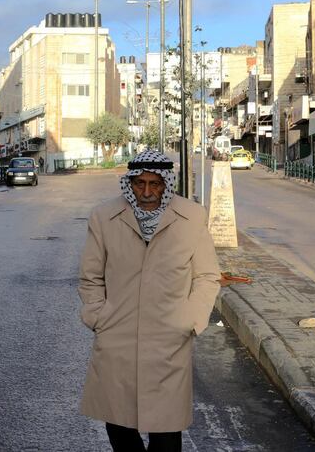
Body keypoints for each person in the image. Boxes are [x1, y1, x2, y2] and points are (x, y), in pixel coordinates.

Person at [77, 149, 220, 452]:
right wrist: (98, 316)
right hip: (117, 338)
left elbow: (207, 276)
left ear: (167, 184)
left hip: (169, 339)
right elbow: (91, 276)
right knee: (119, 426)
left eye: (155, 184)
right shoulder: (104, 217)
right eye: (139, 184)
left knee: (167, 434)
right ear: (129, 183)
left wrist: (191, 320)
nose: (146, 192)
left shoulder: (191, 217)